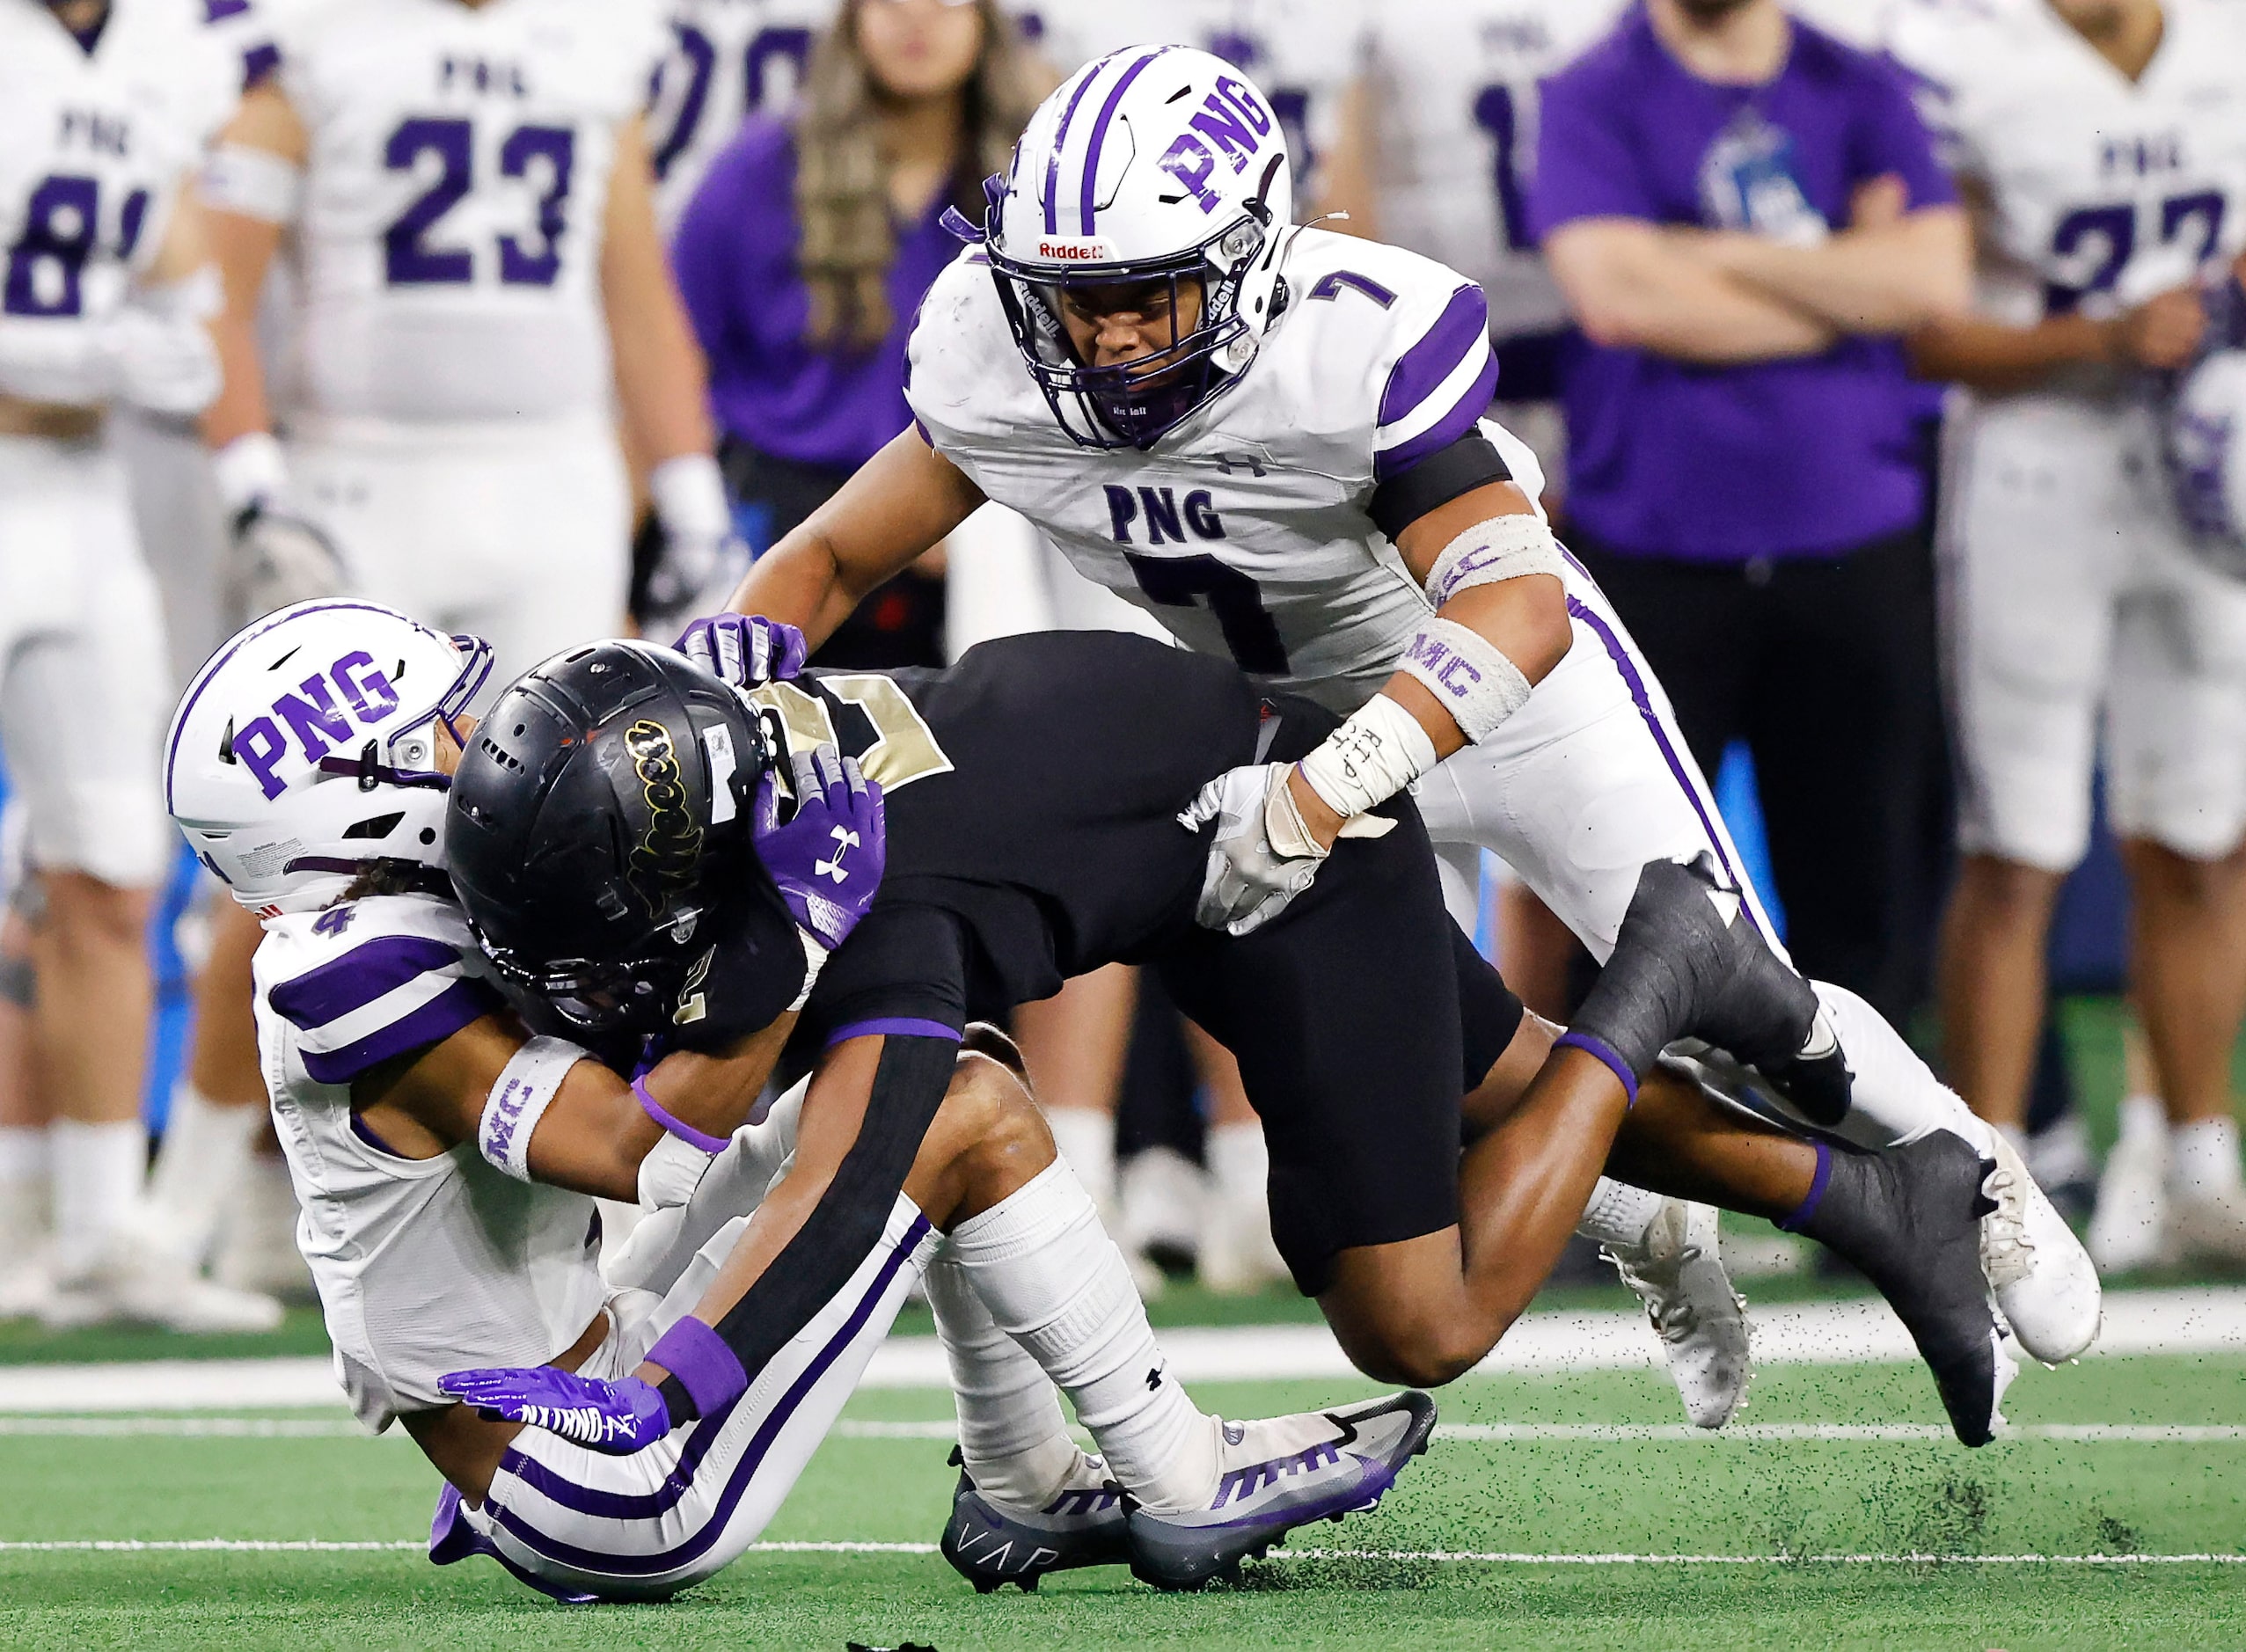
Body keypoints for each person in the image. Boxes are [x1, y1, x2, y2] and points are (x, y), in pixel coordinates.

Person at [711, 46, 2099, 1412]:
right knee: (1435, 1106)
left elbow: (1517, 607)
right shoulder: (997, 356)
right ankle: (1646, 1221)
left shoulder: (1352, 337)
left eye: (1146, 293)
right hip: (1294, 729)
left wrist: (1324, 793)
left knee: (1747, 1008)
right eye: (1074, 300)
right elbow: (827, 558)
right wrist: (733, 656)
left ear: (1249, 254)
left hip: (1496, 696)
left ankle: (1973, 1165)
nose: (1108, 335)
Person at [165, 598, 1432, 1601]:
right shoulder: (356, 965)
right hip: (603, 1468)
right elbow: (628, 1143)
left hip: (563, 1373)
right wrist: (799, 926)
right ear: (360, 791)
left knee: (939, 1068)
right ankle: (1180, 1473)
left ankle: (1027, 1476)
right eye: (437, 735)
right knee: (948, 1108)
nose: (473, 744)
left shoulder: (362, 916)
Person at [145, 0, 748, 1297]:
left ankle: (597, 1215)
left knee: (605, 846)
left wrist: (689, 488)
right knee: (289, 848)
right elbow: (221, 283)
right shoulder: (308, 36)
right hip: (360, 475)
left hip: (554, 483)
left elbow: (630, 285)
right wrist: (252, 476)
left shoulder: (599, 39)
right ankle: (185, 1208)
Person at [1530, 0, 1972, 1031]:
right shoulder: (1593, 90)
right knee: (1618, 905)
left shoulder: (1857, 83)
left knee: (1864, 910)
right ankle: (1621, 1186)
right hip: (1650, 540)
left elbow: (1933, 279)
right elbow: (1621, 302)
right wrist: (1839, 270)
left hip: (1852, 539)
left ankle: (1877, 1179)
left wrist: (1714, 254)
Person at [1888, 0, 2246, 1271]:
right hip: (2039, 471)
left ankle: (2200, 1158)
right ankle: (1987, 1185)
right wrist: (2101, 335)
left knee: (2203, 835)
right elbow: (1923, 330)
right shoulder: (1954, 58)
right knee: (2019, 846)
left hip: (2202, 473)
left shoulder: (2222, 37)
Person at [0, 0, 277, 1332]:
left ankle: (104, 1228)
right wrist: (84, 358)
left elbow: (186, 319)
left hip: (77, 496)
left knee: (110, 868)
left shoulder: (169, 48)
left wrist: (73, 365)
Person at [671, 0, 1043, 669]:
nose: (916, 19)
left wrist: (950, 509)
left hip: (977, 516)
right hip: (781, 524)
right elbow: (678, 357)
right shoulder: (756, 170)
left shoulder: (1043, 176)